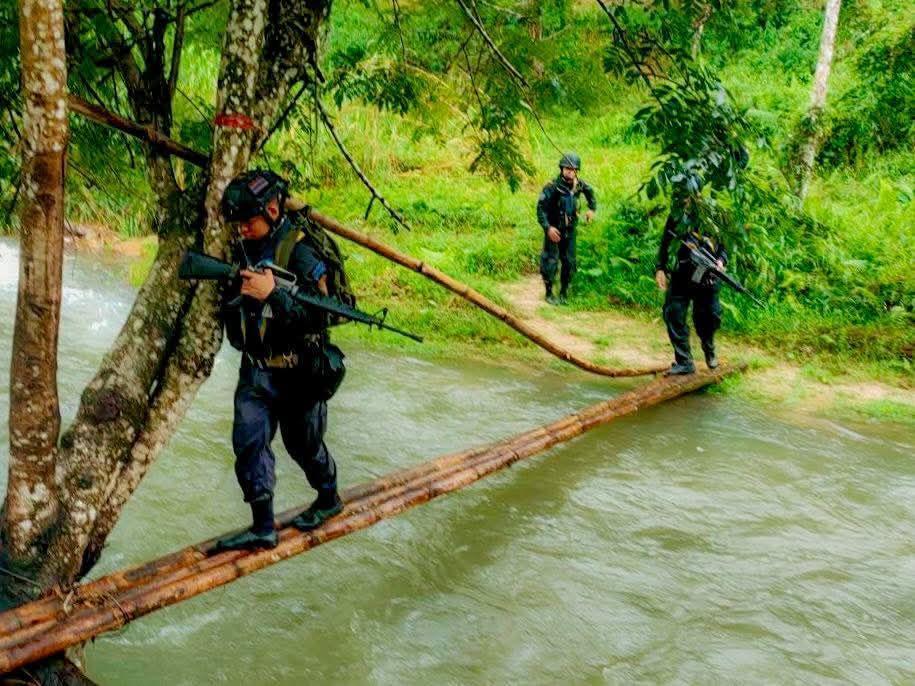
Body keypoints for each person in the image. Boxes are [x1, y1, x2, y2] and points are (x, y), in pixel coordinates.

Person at [214, 170, 346, 551]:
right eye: (236, 223)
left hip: (298, 371)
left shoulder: (302, 252)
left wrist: (273, 294)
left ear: (273, 209)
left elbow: (322, 315)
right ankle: (262, 526)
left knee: (303, 445)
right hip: (256, 368)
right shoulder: (242, 248)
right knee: (249, 441)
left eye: (248, 222)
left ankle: (328, 498)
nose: (241, 229)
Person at [655, 190, 727, 375]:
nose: (684, 200)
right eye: (682, 196)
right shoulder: (676, 216)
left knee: (708, 317)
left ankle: (708, 348)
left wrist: (721, 261)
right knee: (674, 312)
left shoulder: (712, 216)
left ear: (698, 195)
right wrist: (660, 268)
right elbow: (666, 241)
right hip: (682, 273)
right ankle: (684, 361)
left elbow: (724, 246)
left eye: (688, 196)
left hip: (706, 275)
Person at [536, 152, 597, 304]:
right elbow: (541, 209)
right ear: (562, 169)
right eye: (567, 168)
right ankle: (549, 293)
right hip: (554, 230)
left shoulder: (579, 185)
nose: (569, 171)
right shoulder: (552, 187)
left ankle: (563, 293)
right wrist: (548, 228)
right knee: (550, 261)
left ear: (577, 171)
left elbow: (590, 193)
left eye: (573, 169)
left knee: (569, 262)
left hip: (570, 231)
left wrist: (591, 209)